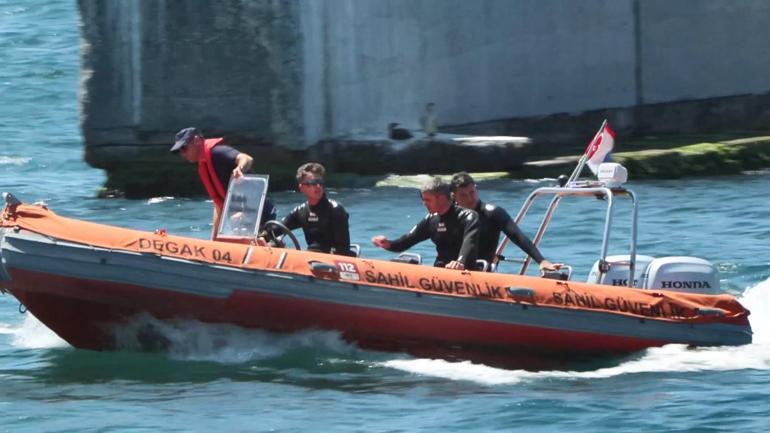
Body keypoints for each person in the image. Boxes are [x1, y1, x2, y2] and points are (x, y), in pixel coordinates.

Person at [170, 127, 277, 238]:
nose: (182, 154)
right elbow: (219, 205)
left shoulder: (218, 152)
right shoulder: (204, 167)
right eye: (180, 151)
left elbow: (247, 159)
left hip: (260, 212)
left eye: (184, 148)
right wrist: (214, 239)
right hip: (240, 219)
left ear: (197, 140)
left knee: (241, 225)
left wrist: (239, 169)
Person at [450, 172, 557, 273]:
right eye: (463, 195)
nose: (470, 198)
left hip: (481, 271)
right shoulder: (449, 216)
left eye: (472, 192)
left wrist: (541, 261)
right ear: (454, 196)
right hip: (451, 270)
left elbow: (517, 236)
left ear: (476, 189)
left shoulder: (492, 213)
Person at [372, 176, 480, 270]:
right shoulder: (431, 220)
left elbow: (469, 242)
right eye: (423, 200)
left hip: (465, 272)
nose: (424, 204)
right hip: (440, 271)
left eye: (428, 200)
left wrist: (460, 262)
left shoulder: (468, 217)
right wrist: (388, 244)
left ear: (441, 198)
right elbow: (407, 240)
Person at [281, 162, 355, 256]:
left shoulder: (335, 209)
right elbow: (277, 228)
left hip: (333, 259)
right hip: (311, 257)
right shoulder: (301, 211)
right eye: (313, 183)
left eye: (320, 182)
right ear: (301, 187)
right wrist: (263, 236)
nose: (318, 186)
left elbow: (342, 248)